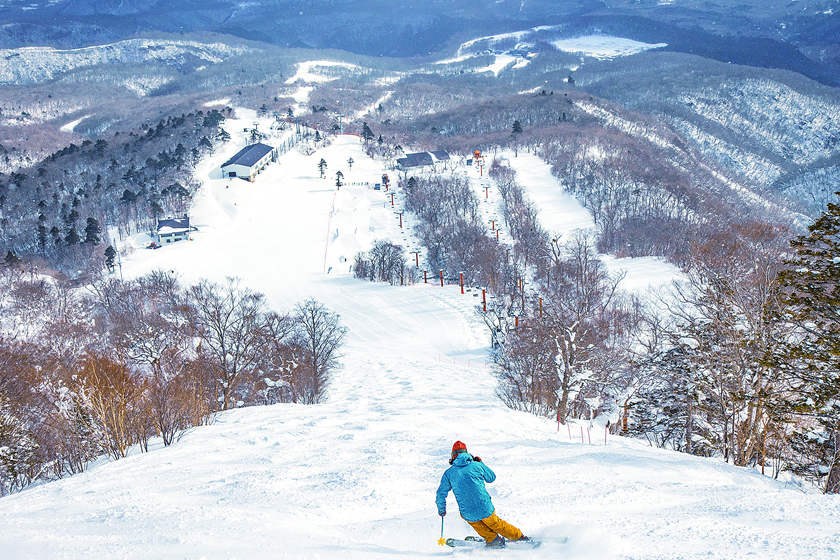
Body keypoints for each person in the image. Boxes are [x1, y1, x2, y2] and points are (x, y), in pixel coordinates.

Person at [435, 440, 531, 548]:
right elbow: (491, 478)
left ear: (453, 456)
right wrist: (480, 463)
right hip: (484, 506)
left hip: (467, 511)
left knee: (475, 522)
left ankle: (493, 539)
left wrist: (442, 510)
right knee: (496, 523)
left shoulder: (449, 473)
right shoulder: (476, 465)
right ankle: (518, 537)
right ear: (467, 453)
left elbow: (440, 494)